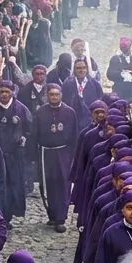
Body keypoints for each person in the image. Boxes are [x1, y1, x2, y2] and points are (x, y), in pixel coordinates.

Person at [0, 80, 29, 221]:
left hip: (14, 155)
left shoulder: (20, 109)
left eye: (7, 92)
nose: (4, 94)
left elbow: (29, 129)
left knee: (12, 185)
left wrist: (23, 139)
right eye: (1, 91)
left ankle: (7, 216)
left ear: (12, 93)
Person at [33, 84, 77, 232]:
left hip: (63, 152)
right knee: (47, 184)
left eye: (57, 94)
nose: (54, 97)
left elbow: (74, 135)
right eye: (51, 94)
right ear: (47, 95)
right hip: (46, 152)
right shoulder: (40, 112)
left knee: (63, 183)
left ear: (61, 95)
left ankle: (61, 218)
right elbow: (35, 134)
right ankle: (52, 214)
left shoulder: (69, 112)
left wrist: (73, 156)